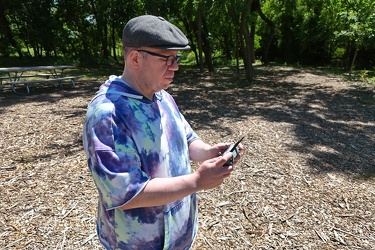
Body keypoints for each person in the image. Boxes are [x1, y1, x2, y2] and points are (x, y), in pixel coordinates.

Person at [82, 15, 243, 250]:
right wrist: (197, 181)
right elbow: (127, 194)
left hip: (178, 235)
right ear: (136, 57)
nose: (176, 67)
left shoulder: (162, 96)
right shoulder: (108, 115)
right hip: (137, 243)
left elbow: (185, 140)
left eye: (176, 58)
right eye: (167, 59)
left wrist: (209, 152)